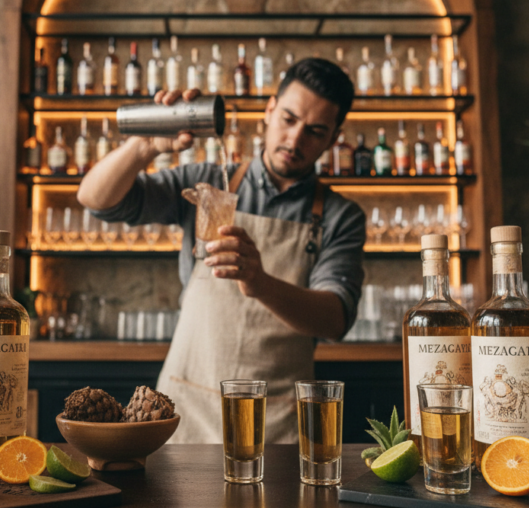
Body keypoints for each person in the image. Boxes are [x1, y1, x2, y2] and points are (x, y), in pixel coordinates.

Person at [77, 58, 366, 443]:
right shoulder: (207, 181)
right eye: (289, 119)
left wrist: (259, 282)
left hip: (276, 424)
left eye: (315, 131)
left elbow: (335, 319)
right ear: (269, 110)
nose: (295, 140)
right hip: (185, 409)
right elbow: (96, 199)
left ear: (333, 138)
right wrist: (143, 145)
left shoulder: (340, 216)